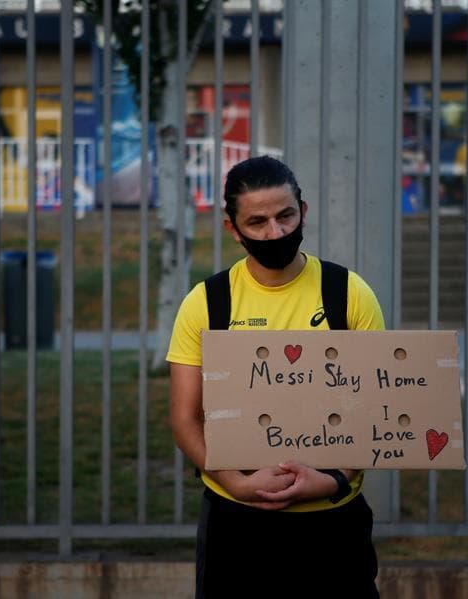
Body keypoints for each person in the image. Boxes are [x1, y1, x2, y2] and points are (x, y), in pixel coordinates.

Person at [167, 156, 384, 598]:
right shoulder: (206, 303)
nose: (276, 233)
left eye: (285, 215)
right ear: (233, 228)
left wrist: (334, 479)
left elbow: (376, 407)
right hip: (236, 526)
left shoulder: (348, 293)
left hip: (333, 524)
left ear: (303, 211)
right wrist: (238, 484)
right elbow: (185, 418)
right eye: (258, 221)